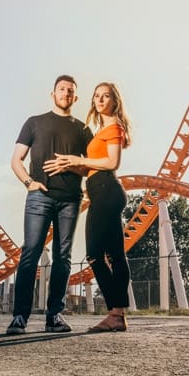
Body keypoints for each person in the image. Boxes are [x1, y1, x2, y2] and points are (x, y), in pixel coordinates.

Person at [6, 74, 93, 335]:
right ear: (53, 93)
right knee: (30, 253)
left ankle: (54, 315)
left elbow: (93, 167)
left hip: (70, 199)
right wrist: (28, 182)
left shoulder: (83, 129)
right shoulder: (34, 122)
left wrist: (72, 164)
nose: (66, 93)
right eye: (62, 89)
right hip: (39, 197)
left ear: (75, 98)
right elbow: (16, 159)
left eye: (70, 91)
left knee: (63, 257)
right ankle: (19, 317)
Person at [44, 82, 132, 333]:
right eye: (97, 96)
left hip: (106, 190)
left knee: (95, 254)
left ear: (115, 100)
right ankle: (117, 315)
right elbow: (92, 167)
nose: (100, 100)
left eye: (106, 96)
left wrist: (78, 159)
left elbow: (112, 162)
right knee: (115, 254)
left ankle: (116, 312)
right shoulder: (102, 128)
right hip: (100, 190)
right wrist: (69, 165)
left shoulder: (114, 126)